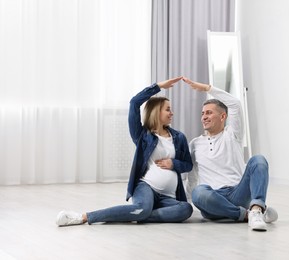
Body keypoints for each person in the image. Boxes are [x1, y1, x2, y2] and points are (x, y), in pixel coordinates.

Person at [56, 77, 193, 226]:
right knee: (142, 208)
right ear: (156, 112)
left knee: (185, 209)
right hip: (146, 187)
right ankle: (85, 217)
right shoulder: (143, 136)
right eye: (168, 109)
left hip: (169, 196)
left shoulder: (179, 137)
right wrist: (158, 86)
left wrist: (173, 163)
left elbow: (188, 165)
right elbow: (134, 102)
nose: (171, 113)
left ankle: (139, 214)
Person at [182, 77, 278, 231]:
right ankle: (251, 214)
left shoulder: (232, 135)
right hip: (212, 199)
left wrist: (207, 88)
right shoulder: (195, 144)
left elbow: (235, 104)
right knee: (198, 192)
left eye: (209, 113)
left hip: (237, 193)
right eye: (202, 113)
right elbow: (192, 177)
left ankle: (255, 208)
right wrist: (184, 203)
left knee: (259, 160)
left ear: (222, 117)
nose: (204, 117)